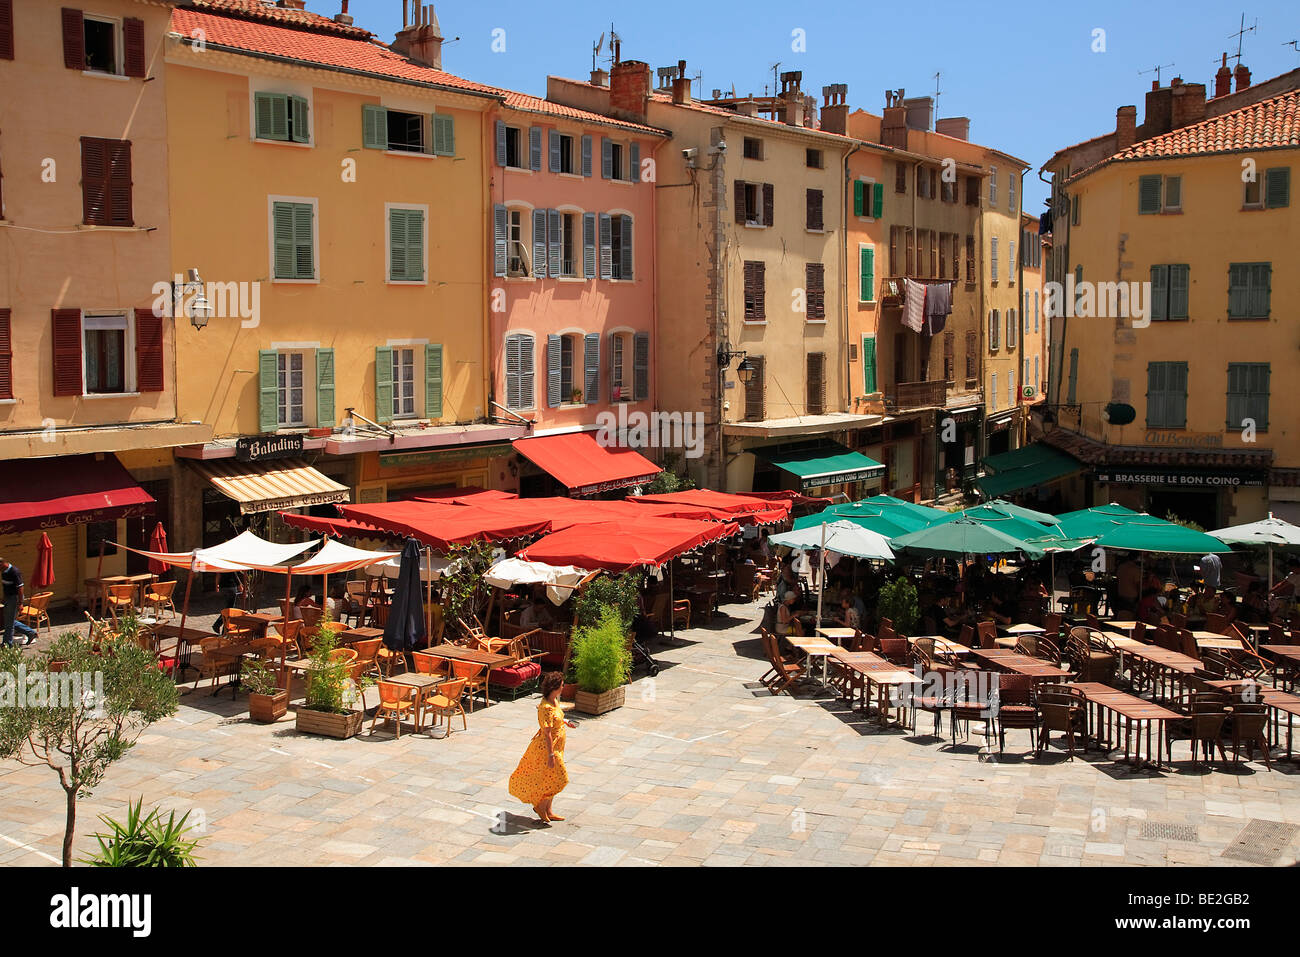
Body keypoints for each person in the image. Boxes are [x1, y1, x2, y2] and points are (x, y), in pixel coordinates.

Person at [508, 671, 577, 824]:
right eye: (561, 685)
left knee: (550, 777)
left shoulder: (554, 701)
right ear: (555, 688)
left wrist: (566, 723)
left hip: (558, 746)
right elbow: (547, 733)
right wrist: (551, 755)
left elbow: (556, 720)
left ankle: (548, 810)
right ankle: (540, 806)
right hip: (547, 749)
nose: (563, 687)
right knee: (559, 777)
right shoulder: (545, 707)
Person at [0, 557, 38, 648]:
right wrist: (4, 598)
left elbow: (20, 588)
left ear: (1, 564)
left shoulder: (14, 572)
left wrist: (20, 603)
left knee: (9, 623)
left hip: (15, 599)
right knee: (9, 621)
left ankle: (6, 644)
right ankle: (31, 632)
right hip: (8, 598)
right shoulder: (4, 572)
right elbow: (6, 587)